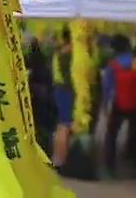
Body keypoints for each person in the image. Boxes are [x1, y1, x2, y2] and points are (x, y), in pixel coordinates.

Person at [102, 34, 136, 176]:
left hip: (117, 103)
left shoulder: (113, 64)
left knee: (112, 134)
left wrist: (105, 105)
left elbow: (107, 87)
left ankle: (110, 166)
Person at [51, 28, 75, 167]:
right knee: (65, 125)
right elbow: (71, 77)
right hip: (66, 91)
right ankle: (60, 159)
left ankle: (57, 157)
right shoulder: (68, 53)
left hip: (59, 89)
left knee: (61, 124)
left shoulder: (59, 51)